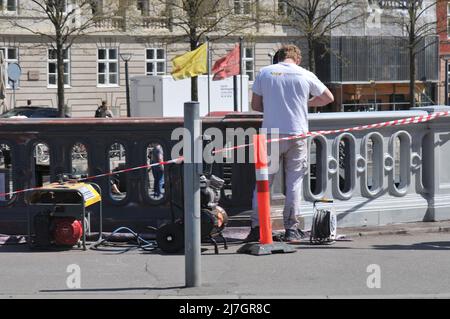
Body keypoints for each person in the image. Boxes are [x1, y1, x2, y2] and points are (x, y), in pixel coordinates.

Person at [245, 44, 334, 243]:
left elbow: (256, 105)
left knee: (263, 182)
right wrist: (305, 102)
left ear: (278, 58)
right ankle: (291, 229)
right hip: (297, 133)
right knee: (294, 182)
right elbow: (328, 98)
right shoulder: (304, 74)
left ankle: (258, 227)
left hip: (271, 135)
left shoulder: (265, 73)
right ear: (297, 59)